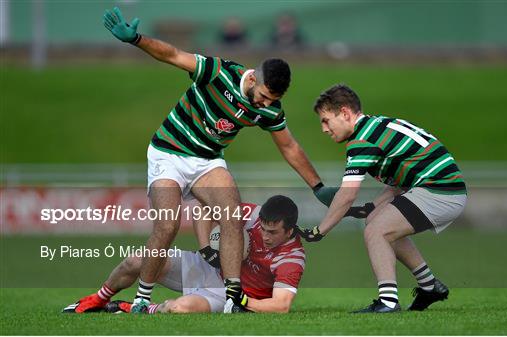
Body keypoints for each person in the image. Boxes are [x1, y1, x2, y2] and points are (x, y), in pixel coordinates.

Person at [102, 7, 336, 313]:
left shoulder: (269, 109)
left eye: (273, 100)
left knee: (231, 215)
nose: (265, 104)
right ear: (253, 77)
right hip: (168, 152)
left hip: (206, 160)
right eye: (263, 95)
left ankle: (231, 299)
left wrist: (317, 186)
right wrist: (136, 39)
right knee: (169, 224)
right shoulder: (219, 71)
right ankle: (142, 298)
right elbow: (173, 54)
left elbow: (289, 146)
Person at [300, 84, 467, 313]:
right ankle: (430, 287)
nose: (324, 129)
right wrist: (369, 208)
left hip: (440, 191)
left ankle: (388, 302)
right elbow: (400, 181)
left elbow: (347, 195)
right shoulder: (376, 126)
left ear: (346, 113)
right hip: (439, 188)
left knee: (377, 231)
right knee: (377, 222)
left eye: (326, 120)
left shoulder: (362, 140)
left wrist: (320, 231)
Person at [63, 196, 305, 314]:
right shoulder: (253, 215)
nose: (264, 235)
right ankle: (98, 299)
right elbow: (204, 206)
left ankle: (129, 308)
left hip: (226, 294)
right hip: (208, 267)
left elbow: (281, 305)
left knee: (180, 308)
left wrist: (241, 302)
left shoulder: (292, 258)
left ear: (290, 230)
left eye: (272, 232)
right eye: (262, 228)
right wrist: (207, 250)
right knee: (137, 260)